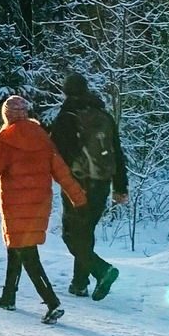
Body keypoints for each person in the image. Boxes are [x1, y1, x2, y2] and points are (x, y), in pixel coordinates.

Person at [0, 94, 86, 323]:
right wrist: (78, 197)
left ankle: (52, 303)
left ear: (7, 116)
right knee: (15, 248)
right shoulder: (42, 138)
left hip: (16, 208)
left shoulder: (6, 142)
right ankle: (8, 296)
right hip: (39, 206)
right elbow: (62, 172)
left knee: (28, 255)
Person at [49, 70, 129, 300]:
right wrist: (120, 187)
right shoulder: (104, 115)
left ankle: (102, 270)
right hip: (102, 183)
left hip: (77, 183)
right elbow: (117, 152)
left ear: (66, 92)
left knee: (71, 235)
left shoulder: (66, 116)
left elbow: (56, 154)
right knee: (86, 231)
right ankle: (79, 283)